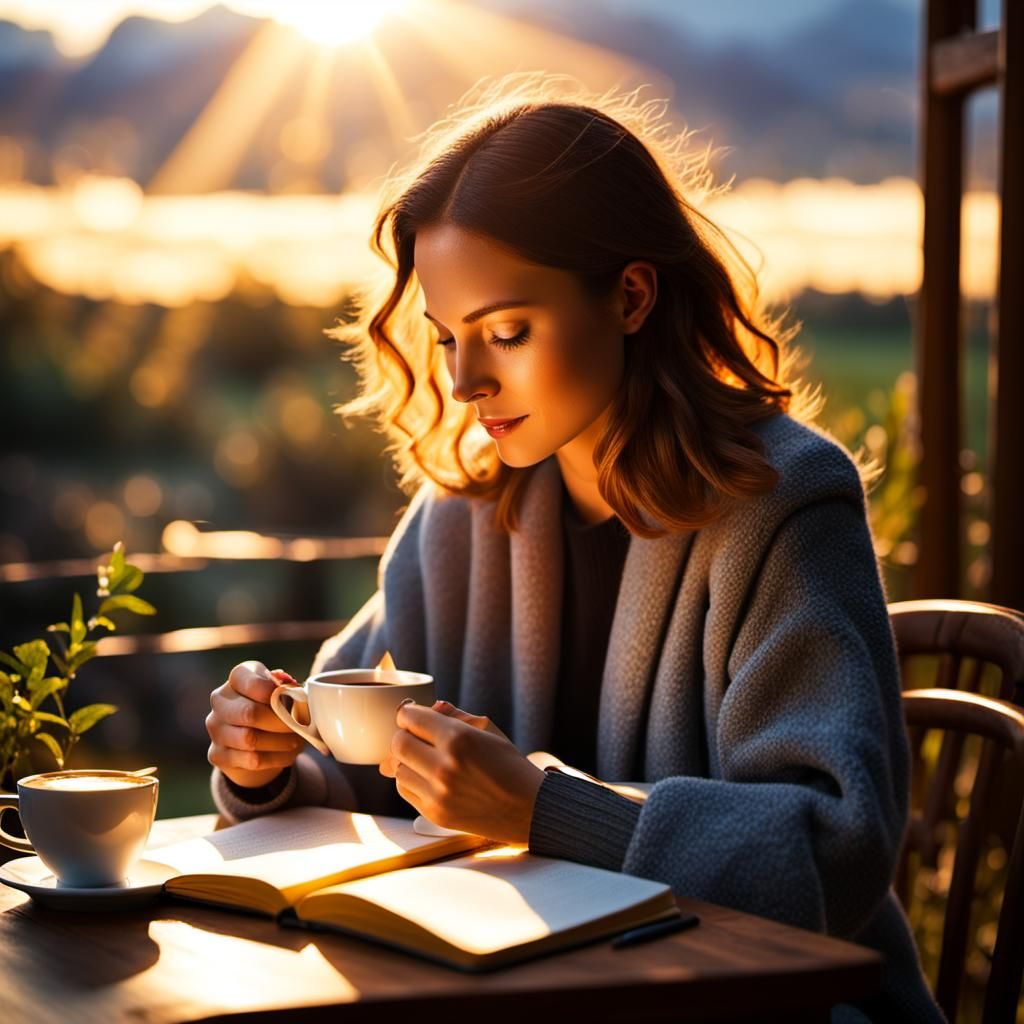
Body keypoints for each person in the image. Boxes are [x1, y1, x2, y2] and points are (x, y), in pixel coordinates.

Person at [205, 75, 946, 1022]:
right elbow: (350, 756)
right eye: (448, 338)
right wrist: (267, 763)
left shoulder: (784, 504)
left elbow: (838, 847)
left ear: (631, 296)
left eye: (507, 331)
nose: (466, 381)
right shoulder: (461, 514)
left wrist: (542, 811)